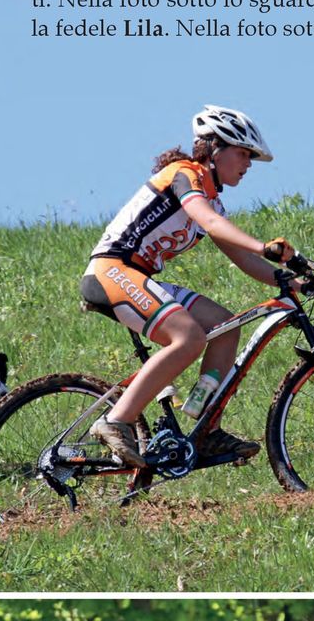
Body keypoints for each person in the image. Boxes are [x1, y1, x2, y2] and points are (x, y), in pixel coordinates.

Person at [80, 104, 300, 467]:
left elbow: (243, 259)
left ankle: (205, 427)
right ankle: (115, 421)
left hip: (137, 276)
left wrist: (290, 280)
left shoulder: (212, 197)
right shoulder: (184, 174)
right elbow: (209, 221)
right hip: (111, 270)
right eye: (243, 153)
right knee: (189, 338)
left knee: (225, 328)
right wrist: (264, 246)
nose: (248, 164)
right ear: (215, 149)